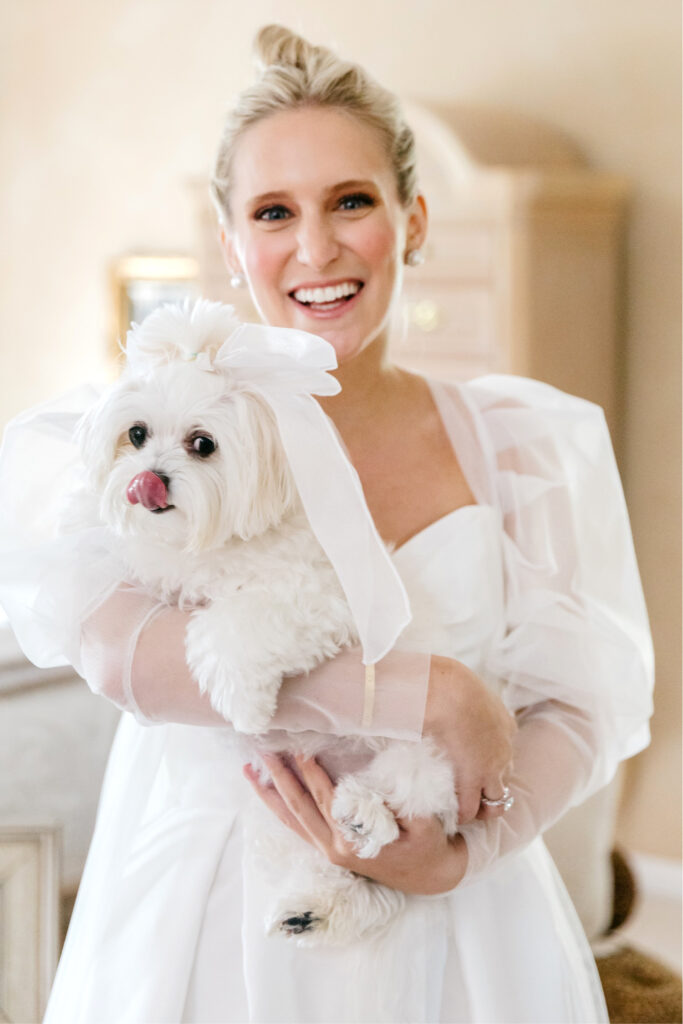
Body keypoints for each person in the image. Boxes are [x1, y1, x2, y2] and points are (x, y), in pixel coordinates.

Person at [0, 24, 653, 1024]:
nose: (316, 248)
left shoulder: (516, 444)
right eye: (274, 212)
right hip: (206, 920)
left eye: (352, 201)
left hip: (458, 931)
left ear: (413, 218)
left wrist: (461, 852)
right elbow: (122, 652)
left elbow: (577, 707)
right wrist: (430, 694)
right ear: (230, 245)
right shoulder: (154, 434)